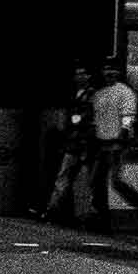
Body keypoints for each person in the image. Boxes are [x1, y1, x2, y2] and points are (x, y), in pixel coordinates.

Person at [87, 57, 138, 231]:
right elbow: (95, 116)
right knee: (97, 180)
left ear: (119, 73)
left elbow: (128, 115)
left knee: (115, 181)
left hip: (116, 143)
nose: (109, 73)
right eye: (106, 69)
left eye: (112, 70)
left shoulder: (125, 92)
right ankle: (103, 217)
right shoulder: (99, 93)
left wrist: (124, 132)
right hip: (102, 142)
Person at [43, 66, 97, 223]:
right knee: (68, 177)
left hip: (81, 143)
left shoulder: (90, 96)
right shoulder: (81, 95)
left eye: (83, 74)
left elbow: (82, 119)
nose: (79, 77)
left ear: (88, 77)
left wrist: (75, 123)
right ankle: (57, 210)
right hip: (76, 143)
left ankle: (57, 211)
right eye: (78, 74)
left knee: (69, 177)